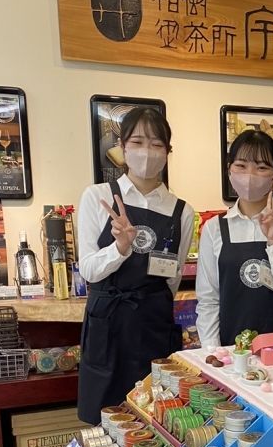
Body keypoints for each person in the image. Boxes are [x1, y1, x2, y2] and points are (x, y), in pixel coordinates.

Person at [77, 107, 194, 424]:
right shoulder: (98, 197)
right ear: (122, 146)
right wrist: (120, 248)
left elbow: (171, 276)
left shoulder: (182, 211)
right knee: (105, 420)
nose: (147, 152)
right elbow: (88, 269)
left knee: (157, 419)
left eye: (157, 144)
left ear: (168, 152)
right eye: (138, 142)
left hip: (152, 325)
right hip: (108, 325)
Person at [196, 129, 273, 347]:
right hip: (232, 354)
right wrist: (212, 353)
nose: (250, 175)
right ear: (229, 171)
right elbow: (208, 300)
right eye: (241, 165)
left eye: (261, 167)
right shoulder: (214, 229)